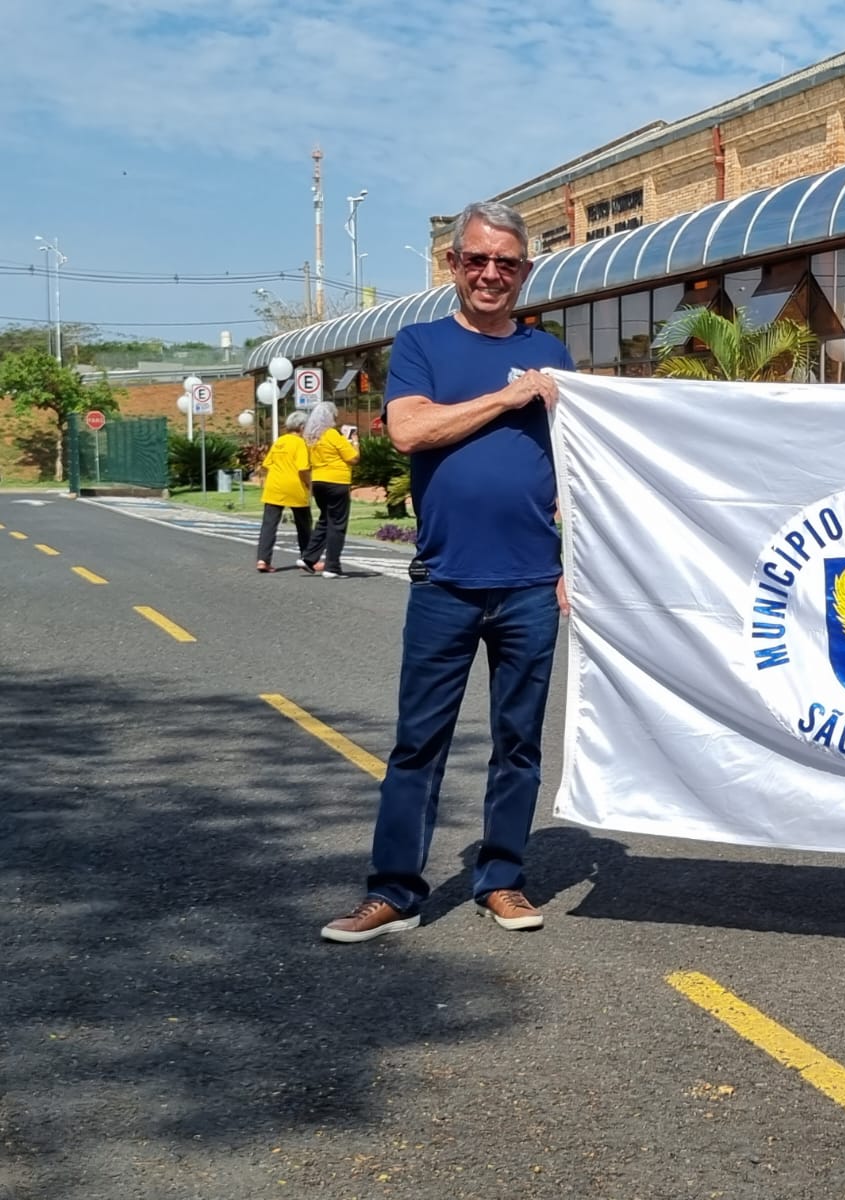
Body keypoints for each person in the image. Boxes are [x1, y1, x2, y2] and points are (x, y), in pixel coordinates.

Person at [321, 199, 573, 943]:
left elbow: (580, 470)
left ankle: (502, 880)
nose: (491, 273)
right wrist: (509, 393)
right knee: (417, 744)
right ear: (454, 266)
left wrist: (576, 561)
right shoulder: (422, 343)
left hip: (531, 584)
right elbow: (408, 429)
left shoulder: (554, 354)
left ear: (524, 272)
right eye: (477, 260)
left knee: (519, 743)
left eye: (507, 263)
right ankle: (394, 891)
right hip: (446, 583)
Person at [296, 401, 361, 579]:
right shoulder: (332, 434)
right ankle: (332, 566)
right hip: (337, 482)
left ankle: (309, 558)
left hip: (318, 481)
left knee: (325, 520)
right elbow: (353, 458)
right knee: (337, 524)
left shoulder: (311, 437)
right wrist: (354, 442)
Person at [254, 410, 312, 572]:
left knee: (269, 525)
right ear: (301, 427)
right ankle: (307, 558)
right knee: (304, 524)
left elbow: (266, 465)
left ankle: (262, 560)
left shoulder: (279, 441)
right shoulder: (300, 443)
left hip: (274, 486)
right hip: (294, 487)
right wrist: (310, 484)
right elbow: (303, 469)